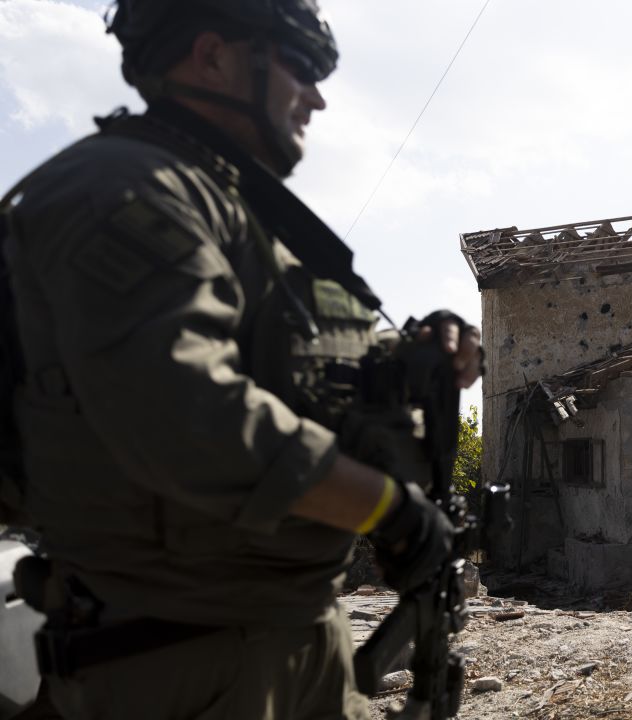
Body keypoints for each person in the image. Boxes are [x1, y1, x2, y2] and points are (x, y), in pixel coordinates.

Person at [0, 1, 480, 718]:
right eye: (300, 65)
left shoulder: (233, 211)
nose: (316, 97)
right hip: (181, 663)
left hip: (285, 638)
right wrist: (390, 512)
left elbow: (294, 368)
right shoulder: (128, 192)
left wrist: (416, 357)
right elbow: (187, 412)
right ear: (215, 55)